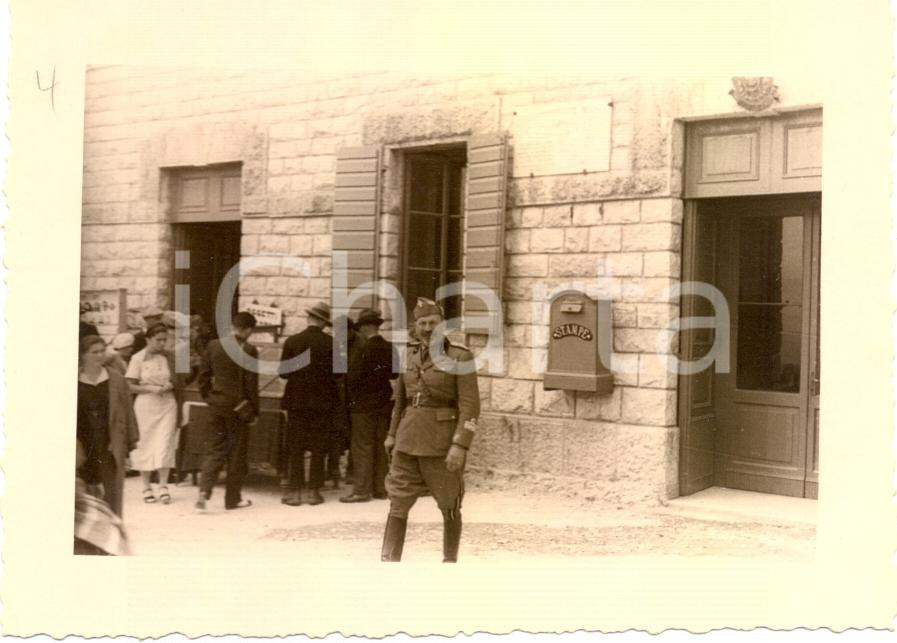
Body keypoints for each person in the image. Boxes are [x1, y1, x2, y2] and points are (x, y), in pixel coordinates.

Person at [380, 298, 480, 563]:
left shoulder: (460, 356)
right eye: (422, 323)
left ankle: (449, 562)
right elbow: (399, 400)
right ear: (415, 325)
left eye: (432, 323)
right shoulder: (409, 354)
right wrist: (392, 434)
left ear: (442, 324)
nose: (426, 328)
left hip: (441, 443)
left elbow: (470, 406)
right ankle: (388, 563)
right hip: (407, 438)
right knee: (397, 503)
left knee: (449, 504)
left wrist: (460, 444)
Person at [195, 311, 259, 511]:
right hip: (238, 408)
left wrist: (209, 398)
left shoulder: (213, 345)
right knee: (237, 453)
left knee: (214, 449)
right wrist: (254, 411)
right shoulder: (248, 349)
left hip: (217, 405)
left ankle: (204, 492)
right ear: (248, 330)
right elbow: (251, 384)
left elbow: (203, 377)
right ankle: (233, 499)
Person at [278, 302, 338, 506]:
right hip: (322, 402)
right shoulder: (332, 343)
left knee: (295, 446)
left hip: (296, 401)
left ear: (309, 318)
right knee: (319, 447)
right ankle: (313, 491)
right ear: (322, 321)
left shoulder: (293, 341)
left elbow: (283, 373)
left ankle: (294, 492)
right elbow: (339, 375)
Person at [77, 335, 139, 518]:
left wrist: (128, 446)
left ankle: (113, 527)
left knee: (111, 488)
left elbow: (127, 412)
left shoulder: (116, 379)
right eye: (94, 352)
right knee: (84, 490)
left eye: (102, 351)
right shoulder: (73, 379)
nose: (99, 355)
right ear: (83, 355)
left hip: (109, 442)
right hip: (82, 441)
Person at [340, 308, 399, 503]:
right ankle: (380, 489)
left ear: (365, 327)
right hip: (383, 404)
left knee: (362, 447)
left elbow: (352, 378)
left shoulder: (362, 349)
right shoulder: (391, 348)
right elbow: (394, 374)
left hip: (362, 406)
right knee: (381, 445)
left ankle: (361, 491)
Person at [126, 323, 183, 505]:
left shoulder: (169, 357)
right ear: (148, 339)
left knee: (165, 442)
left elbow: (179, 379)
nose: (162, 343)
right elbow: (129, 384)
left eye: (165, 340)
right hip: (146, 405)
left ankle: (163, 485)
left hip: (167, 404)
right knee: (146, 443)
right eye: (158, 340)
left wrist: (171, 385)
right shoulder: (137, 358)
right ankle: (145, 486)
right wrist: (150, 388)